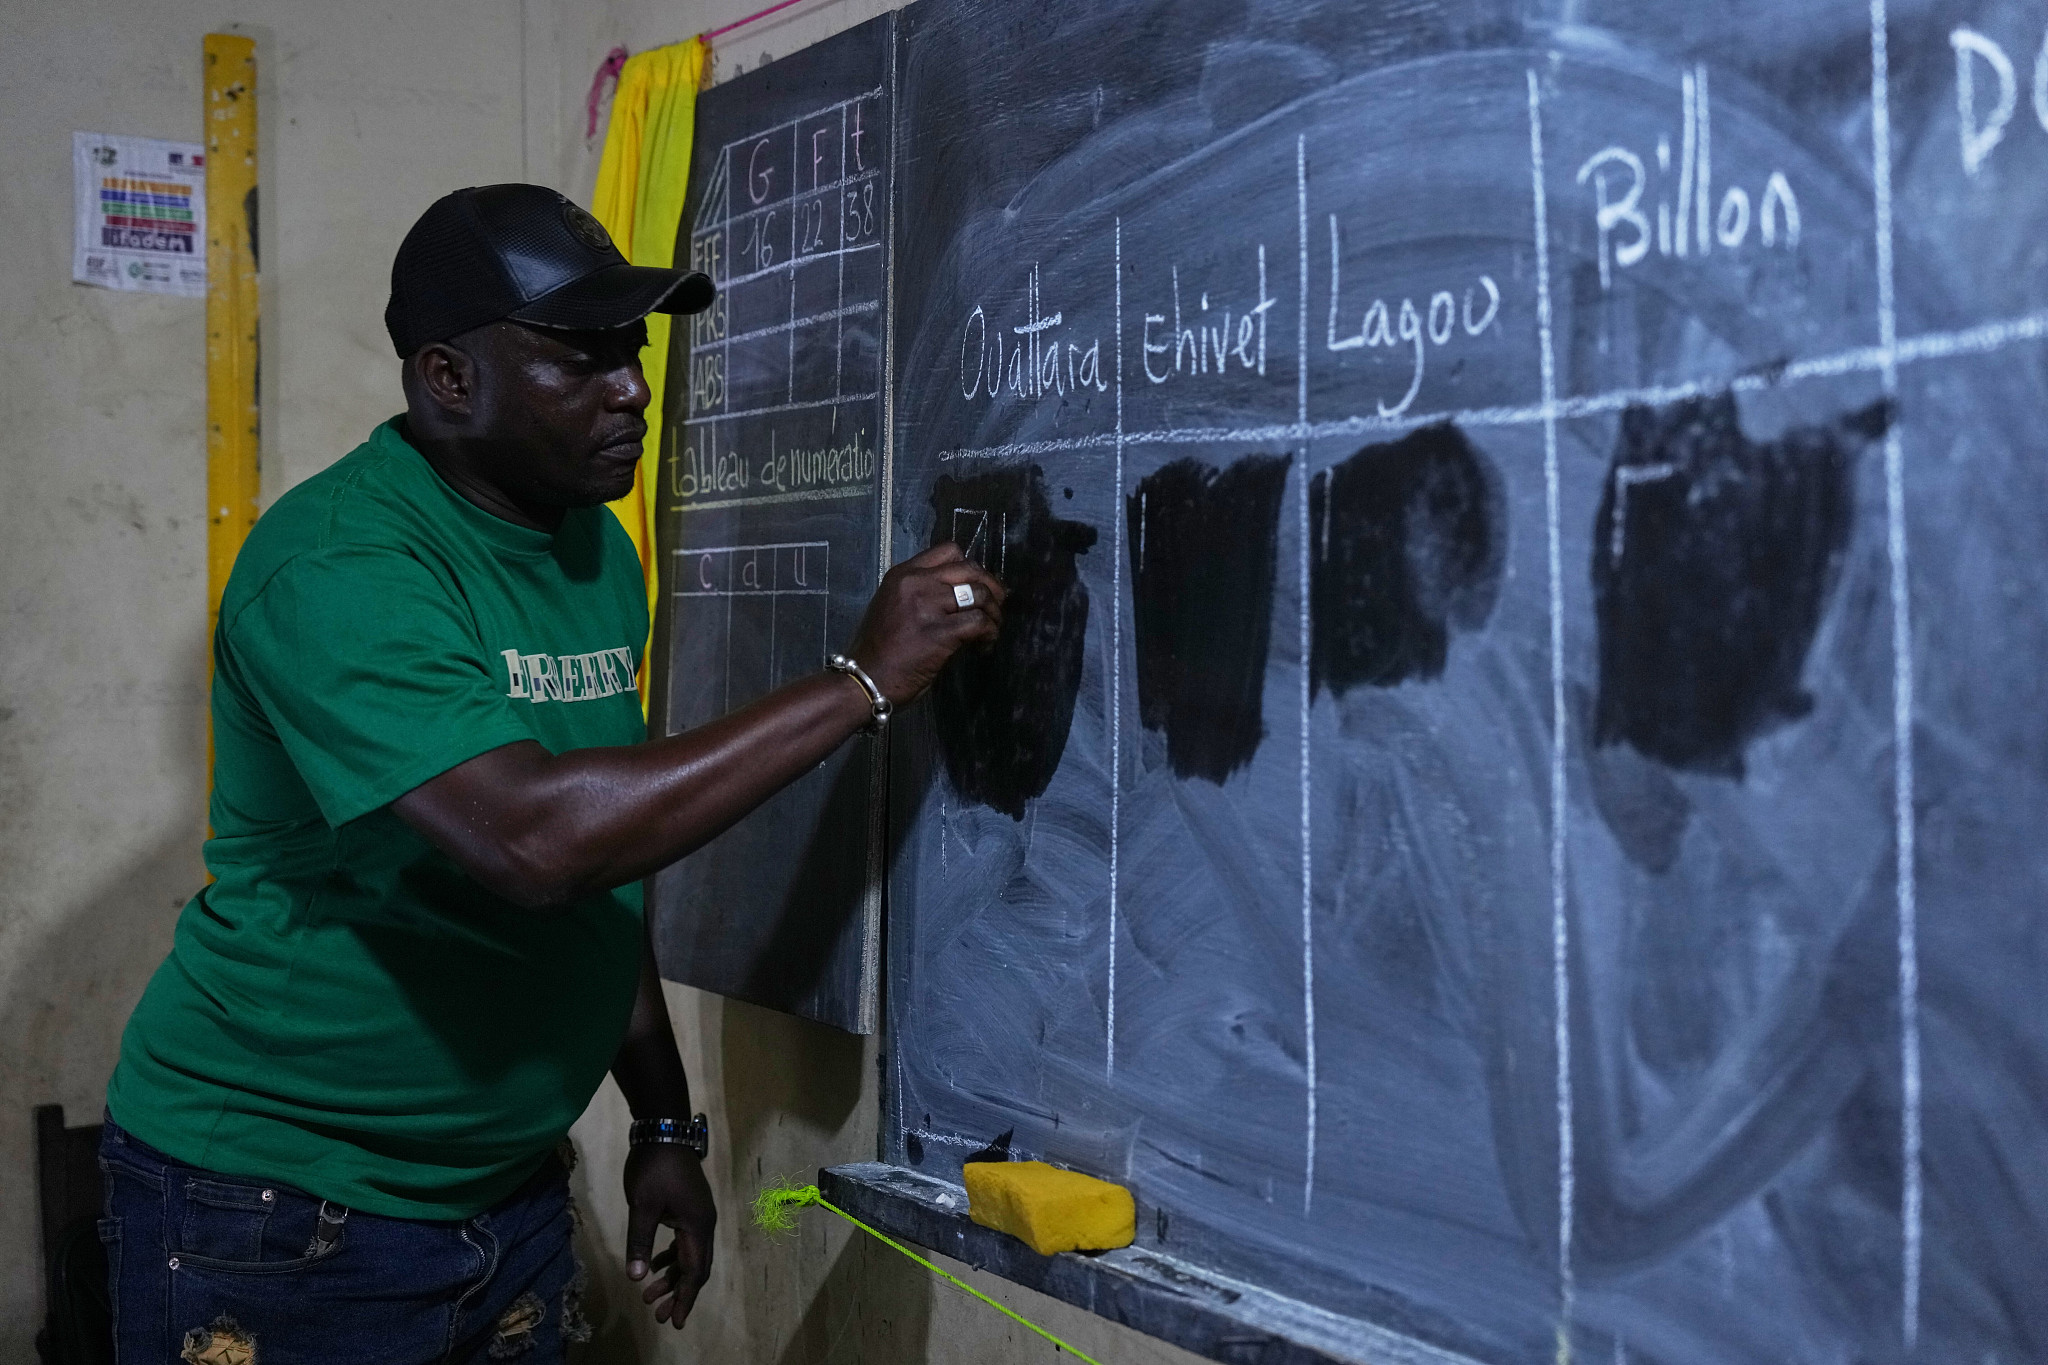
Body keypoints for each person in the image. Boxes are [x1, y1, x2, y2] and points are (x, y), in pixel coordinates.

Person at [98, 183, 1003, 1363]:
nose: (630, 388)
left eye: (629, 354)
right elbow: (537, 844)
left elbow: (604, 856)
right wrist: (858, 683)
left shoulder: (587, 544)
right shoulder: (339, 566)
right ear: (448, 378)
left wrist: (662, 1120)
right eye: (578, 362)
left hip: (503, 1184)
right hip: (280, 1206)